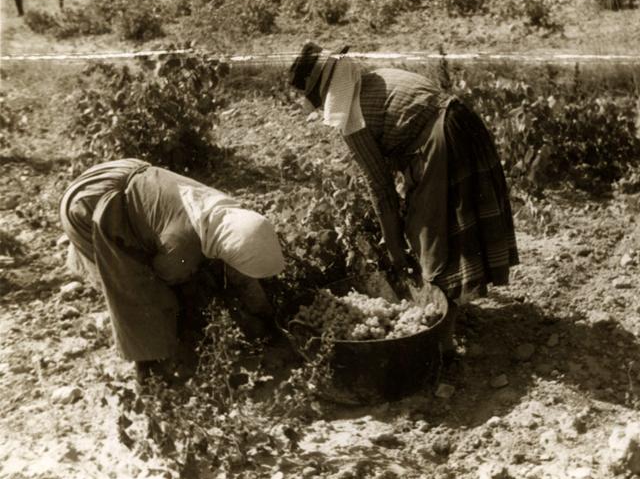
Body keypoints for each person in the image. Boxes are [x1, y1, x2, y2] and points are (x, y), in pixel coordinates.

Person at [288, 43, 519, 356]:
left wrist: (394, 247)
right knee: (453, 217)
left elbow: (380, 186)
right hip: (463, 123)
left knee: (429, 231)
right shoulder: (378, 78)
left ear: (324, 93)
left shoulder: (352, 116)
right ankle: (451, 304)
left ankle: (440, 342)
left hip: (440, 142)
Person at [59, 158, 285, 382]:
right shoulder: (182, 243)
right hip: (91, 205)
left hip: (117, 171)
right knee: (139, 290)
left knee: (203, 268)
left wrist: (267, 319)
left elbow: (241, 274)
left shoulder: (227, 214)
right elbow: (166, 278)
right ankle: (152, 374)